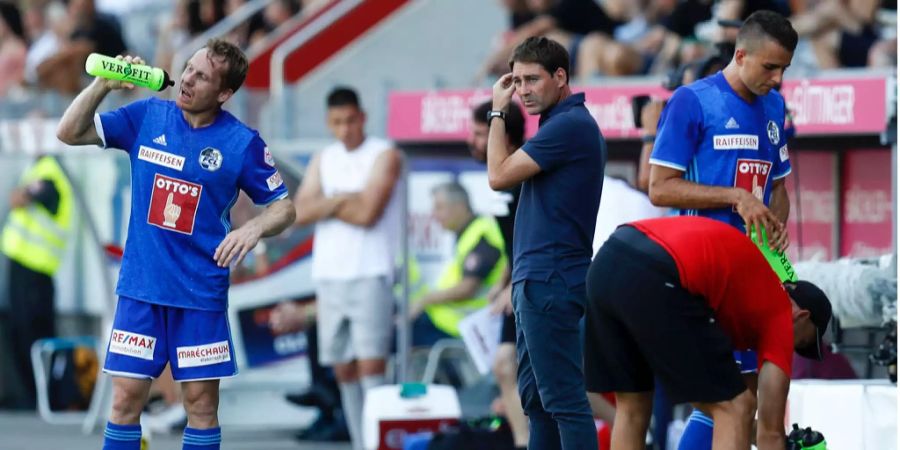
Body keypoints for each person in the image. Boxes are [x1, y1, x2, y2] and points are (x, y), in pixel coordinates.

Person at [56, 39, 296, 450]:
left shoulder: (241, 143)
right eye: (188, 67)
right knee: (126, 398)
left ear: (224, 94)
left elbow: (284, 207)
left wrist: (252, 229)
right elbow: (70, 132)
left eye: (201, 76)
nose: (186, 78)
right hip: (140, 290)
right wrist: (102, 86)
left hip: (199, 295)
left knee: (201, 405)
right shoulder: (148, 115)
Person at [647, 10, 798, 448]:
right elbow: (660, 188)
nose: (777, 79)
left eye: (784, 69)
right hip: (703, 273)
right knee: (725, 399)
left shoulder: (774, 106)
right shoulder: (692, 101)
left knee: (744, 397)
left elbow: (779, 185)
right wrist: (735, 196)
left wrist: (774, 228)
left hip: (752, 272)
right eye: (769, 67)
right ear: (740, 54)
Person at [584, 216, 832, 450]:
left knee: (633, 407)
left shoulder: (747, 294)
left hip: (608, 261)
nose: (791, 351)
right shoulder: (780, 312)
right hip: (658, 271)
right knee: (737, 406)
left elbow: (713, 390)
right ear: (802, 316)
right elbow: (771, 434)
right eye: (801, 343)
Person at [487, 36, 605, 449]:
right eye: (516, 81)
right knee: (537, 402)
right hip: (539, 279)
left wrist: (498, 110)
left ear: (560, 76)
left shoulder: (570, 125)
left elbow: (497, 175)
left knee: (564, 402)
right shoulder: (559, 125)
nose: (523, 90)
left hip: (551, 279)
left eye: (532, 79)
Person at [293, 86, 402, 450]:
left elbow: (368, 213)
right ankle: (360, 441)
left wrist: (327, 201)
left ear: (363, 117)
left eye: (351, 120)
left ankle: (377, 443)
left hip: (370, 270)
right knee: (342, 368)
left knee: (371, 366)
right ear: (329, 122)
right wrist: (344, 198)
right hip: (330, 274)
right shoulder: (324, 158)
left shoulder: (384, 154)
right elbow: (299, 211)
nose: (345, 129)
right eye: (337, 122)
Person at [468, 100, 530, 449]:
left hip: (538, 280)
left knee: (558, 378)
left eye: (480, 133)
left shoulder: (524, 172)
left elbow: (535, 236)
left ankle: (639, 428)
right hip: (519, 279)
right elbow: (513, 240)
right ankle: (523, 442)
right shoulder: (501, 175)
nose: (473, 141)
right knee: (506, 366)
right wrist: (503, 280)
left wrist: (514, 284)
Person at [1, 154, 73, 409]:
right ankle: (34, 397)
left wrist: (21, 193)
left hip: (36, 270)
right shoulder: (38, 167)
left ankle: (44, 399)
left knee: (34, 335)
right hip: (25, 266)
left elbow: (21, 199)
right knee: (22, 333)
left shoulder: (49, 171)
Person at [407, 182, 506, 345]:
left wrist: (425, 300)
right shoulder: (468, 233)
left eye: (439, 208)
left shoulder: (481, 234)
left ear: (460, 206)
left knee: (396, 335)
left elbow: (468, 288)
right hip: (453, 323)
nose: (435, 215)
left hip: (467, 327)